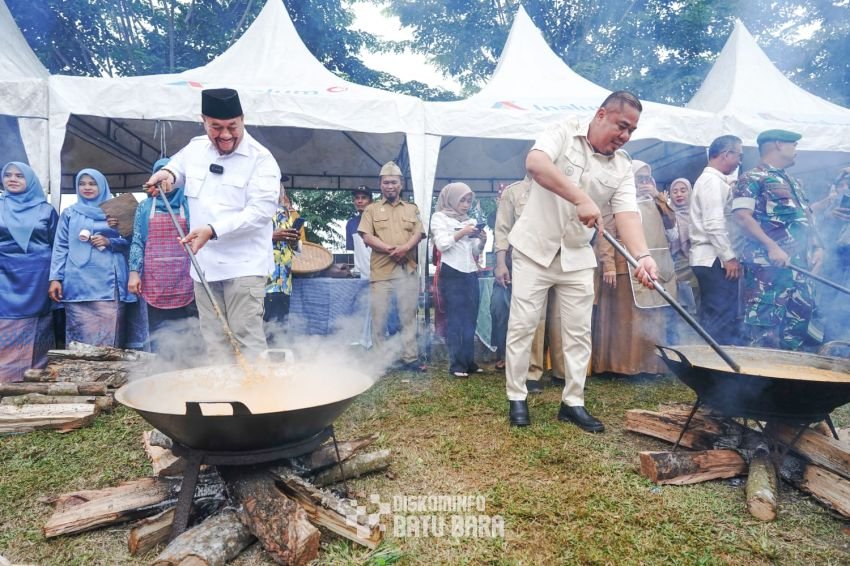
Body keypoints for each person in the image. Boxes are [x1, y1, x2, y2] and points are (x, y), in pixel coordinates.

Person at [505, 91, 659, 430]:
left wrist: (642, 257)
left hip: (577, 255)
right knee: (523, 326)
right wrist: (581, 198)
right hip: (533, 251)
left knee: (578, 332)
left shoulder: (622, 166)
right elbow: (536, 164)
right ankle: (517, 397)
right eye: (621, 126)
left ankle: (573, 402)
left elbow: (627, 215)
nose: (625, 136)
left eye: (632, 130)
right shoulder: (562, 131)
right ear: (601, 114)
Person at [144, 88, 280, 358]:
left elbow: (261, 211)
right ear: (204, 121)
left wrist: (213, 230)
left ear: (243, 119)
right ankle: (223, 396)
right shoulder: (195, 148)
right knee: (215, 340)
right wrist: (166, 174)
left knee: (245, 335)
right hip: (204, 266)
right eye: (216, 127)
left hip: (244, 265)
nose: (226, 135)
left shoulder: (260, 158)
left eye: (232, 126)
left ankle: (259, 397)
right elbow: (176, 167)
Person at [732, 129, 824, 351]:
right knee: (763, 335)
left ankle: (790, 384)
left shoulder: (794, 182)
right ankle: (758, 385)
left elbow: (805, 217)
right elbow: (742, 217)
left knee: (796, 333)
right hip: (768, 273)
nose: (796, 151)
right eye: (794, 145)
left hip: (800, 271)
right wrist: (771, 247)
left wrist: (817, 246)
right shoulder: (751, 178)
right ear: (778, 144)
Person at [592, 160, 676, 377]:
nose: (644, 183)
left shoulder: (656, 201)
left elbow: (671, 223)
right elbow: (606, 233)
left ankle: (650, 365)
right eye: (639, 179)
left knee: (653, 318)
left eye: (647, 178)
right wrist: (608, 264)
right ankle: (622, 365)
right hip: (624, 268)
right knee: (627, 319)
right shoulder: (617, 199)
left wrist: (658, 196)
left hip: (653, 266)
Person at [49, 169, 137, 347]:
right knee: (79, 336)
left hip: (108, 284)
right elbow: (61, 246)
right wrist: (55, 278)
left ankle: (109, 374)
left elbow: (133, 242)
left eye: (92, 183)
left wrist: (110, 241)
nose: (87, 187)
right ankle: (78, 374)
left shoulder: (116, 211)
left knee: (108, 338)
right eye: (82, 184)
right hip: (77, 283)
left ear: (102, 185)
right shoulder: (70, 213)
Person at [492, 177, 565, 390]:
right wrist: (500, 263)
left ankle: (562, 372)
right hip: (529, 260)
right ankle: (532, 373)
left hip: (562, 258)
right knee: (533, 318)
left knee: (562, 318)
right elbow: (502, 230)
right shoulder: (514, 192)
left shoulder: (562, 185)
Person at [358, 161, 425, 371]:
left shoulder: (412, 208)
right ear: (380, 185)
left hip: (407, 271)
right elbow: (366, 236)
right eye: (386, 182)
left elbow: (419, 233)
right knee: (380, 317)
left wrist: (405, 248)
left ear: (401, 184)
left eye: (394, 182)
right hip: (381, 273)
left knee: (408, 316)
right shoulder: (371, 210)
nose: (390, 186)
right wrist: (390, 249)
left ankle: (410, 358)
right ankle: (380, 361)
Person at [128, 158, 196, 352]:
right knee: (159, 334)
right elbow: (138, 241)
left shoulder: (188, 204)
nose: (164, 184)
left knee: (188, 334)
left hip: (185, 279)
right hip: (155, 280)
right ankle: (161, 371)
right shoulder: (145, 207)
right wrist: (134, 272)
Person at [0, 162, 58, 382]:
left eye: (19, 176)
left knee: (38, 326)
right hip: (4, 277)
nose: (13, 179)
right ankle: (5, 381)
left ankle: (34, 380)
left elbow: (57, 246)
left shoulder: (45, 210)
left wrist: (56, 277)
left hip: (38, 278)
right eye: (8, 175)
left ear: (30, 181)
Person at [689, 135, 744, 345]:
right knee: (720, 317)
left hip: (710, 258)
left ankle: (713, 362)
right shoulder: (711, 182)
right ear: (726, 154)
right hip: (713, 258)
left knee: (716, 314)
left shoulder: (714, 180)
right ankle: (716, 365)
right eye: (738, 155)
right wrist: (729, 257)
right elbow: (713, 224)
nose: (739, 161)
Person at [430, 183, 486, 377]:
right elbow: (442, 244)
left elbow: (474, 252)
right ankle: (456, 364)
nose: (465, 205)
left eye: (469, 201)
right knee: (455, 318)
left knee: (471, 318)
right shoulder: (439, 218)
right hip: (452, 273)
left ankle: (469, 361)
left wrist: (482, 241)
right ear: (451, 199)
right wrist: (463, 232)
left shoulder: (469, 219)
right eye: (462, 200)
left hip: (470, 271)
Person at [810, 168, 850, 342]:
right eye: (841, 185)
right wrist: (829, 217)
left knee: (843, 310)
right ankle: (829, 352)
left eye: (847, 184)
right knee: (829, 310)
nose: (844, 188)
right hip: (836, 266)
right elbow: (817, 233)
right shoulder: (835, 206)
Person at [264, 183, 302, 346]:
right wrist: (271, 236)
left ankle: (278, 362)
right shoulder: (258, 214)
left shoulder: (286, 215)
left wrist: (294, 240)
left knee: (280, 326)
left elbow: (296, 250)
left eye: (280, 190)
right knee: (264, 326)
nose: (279, 193)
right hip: (265, 282)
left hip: (284, 283)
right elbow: (246, 242)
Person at [667, 177, 699, 341]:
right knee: (678, 305)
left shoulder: (697, 213)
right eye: (675, 191)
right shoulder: (667, 213)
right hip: (674, 265)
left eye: (683, 190)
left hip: (695, 264)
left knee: (695, 304)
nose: (679, 194)